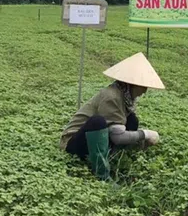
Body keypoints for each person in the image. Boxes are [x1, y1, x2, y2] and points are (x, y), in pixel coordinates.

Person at [59, 52, 165, 180]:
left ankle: (113, 157)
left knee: (132, 120)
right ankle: (101, 173)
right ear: (132, 84)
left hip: (95, 138)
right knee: (97, 122)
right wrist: (145, 134)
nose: (145, 91)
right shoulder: (112, 96)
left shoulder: (125, 96)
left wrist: (141, 141)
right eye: (143, 86)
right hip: (74, 142)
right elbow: (117, 137)